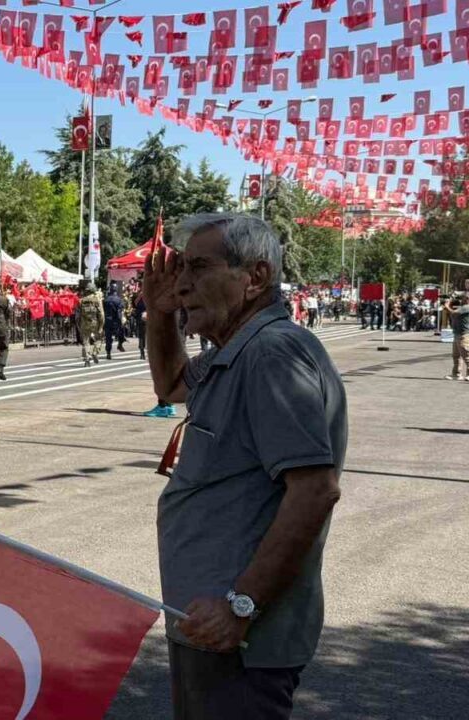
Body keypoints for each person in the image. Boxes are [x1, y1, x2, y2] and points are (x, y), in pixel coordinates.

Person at [144, 213, 346, 719]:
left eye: (199, 267)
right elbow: (170, 384)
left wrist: (242, 605)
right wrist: (159, 312)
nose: (183, 281)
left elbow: (315, 490)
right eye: (182, 268)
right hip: (208, 623)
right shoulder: (232, 352)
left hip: (238, 635)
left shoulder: (271, 355)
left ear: (253, 278)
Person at [443, 291, 469, 382]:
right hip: (457, 334)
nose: (461, 300)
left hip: (463, 335)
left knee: (466, 354)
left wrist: (447, 305)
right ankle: (456, 374)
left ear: (467, 299)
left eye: (462, 298)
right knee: (456, 355)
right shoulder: (463, 307)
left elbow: (454, 313)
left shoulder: (468, 307)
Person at [76, 279, 105, 367]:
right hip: (95, 323)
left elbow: (77, 315)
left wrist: (79, 325)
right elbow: (101, 314)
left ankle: (87, 360)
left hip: (84, 324)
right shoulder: (97, 300)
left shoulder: (81, 301)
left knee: (86, 341)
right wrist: (101, 326)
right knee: (99, 339)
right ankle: (95, 352)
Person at [104, 282, 127, 360]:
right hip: (116, 320)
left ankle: (108, 353)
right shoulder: (119, 300)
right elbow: (121, 311)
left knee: (108, 337)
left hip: (107, 320)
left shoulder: (106, 299)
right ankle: (120, 345)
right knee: (121, 333)